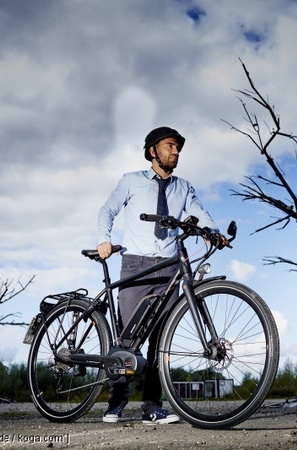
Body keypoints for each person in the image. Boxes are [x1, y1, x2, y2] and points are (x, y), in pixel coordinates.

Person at [96, 126, 226, 425]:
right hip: (136, 264)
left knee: (160, 340)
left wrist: (212, 232)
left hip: (168, 266)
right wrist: (103, 238)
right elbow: (108, 209)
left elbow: (199, 212)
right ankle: (115, 404)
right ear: (153, 150)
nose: (176, 151)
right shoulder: (131, 181)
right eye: (170, 146)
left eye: (178, 147)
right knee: (127, 339)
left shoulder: (184, 187)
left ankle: (152, 406)